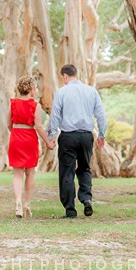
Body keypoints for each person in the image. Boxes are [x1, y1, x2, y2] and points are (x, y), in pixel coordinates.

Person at [47, 64, 107, 218]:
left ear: (65, 76)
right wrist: (101, 134)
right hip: (86, 136)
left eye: (63, 78)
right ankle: (86, 198)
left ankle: (70, 210)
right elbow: (100, 114)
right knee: (85, 168)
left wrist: (51, 136)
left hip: (68, 136)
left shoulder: (61, 92)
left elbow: (55, 116)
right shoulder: (91, 91)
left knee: (66, 172)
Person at [7, 75, 50, 218]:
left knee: (17, 173)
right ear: (31, 90)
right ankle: (27, 203)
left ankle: (18, 201)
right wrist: (48, 141)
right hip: (30, 139)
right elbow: (38, 126)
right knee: (30, 173)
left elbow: (8, 124)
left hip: (16, 137)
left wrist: (16, 134)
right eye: (35, 88)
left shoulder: (12, 103)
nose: (36, 91)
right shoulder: (35, 105)